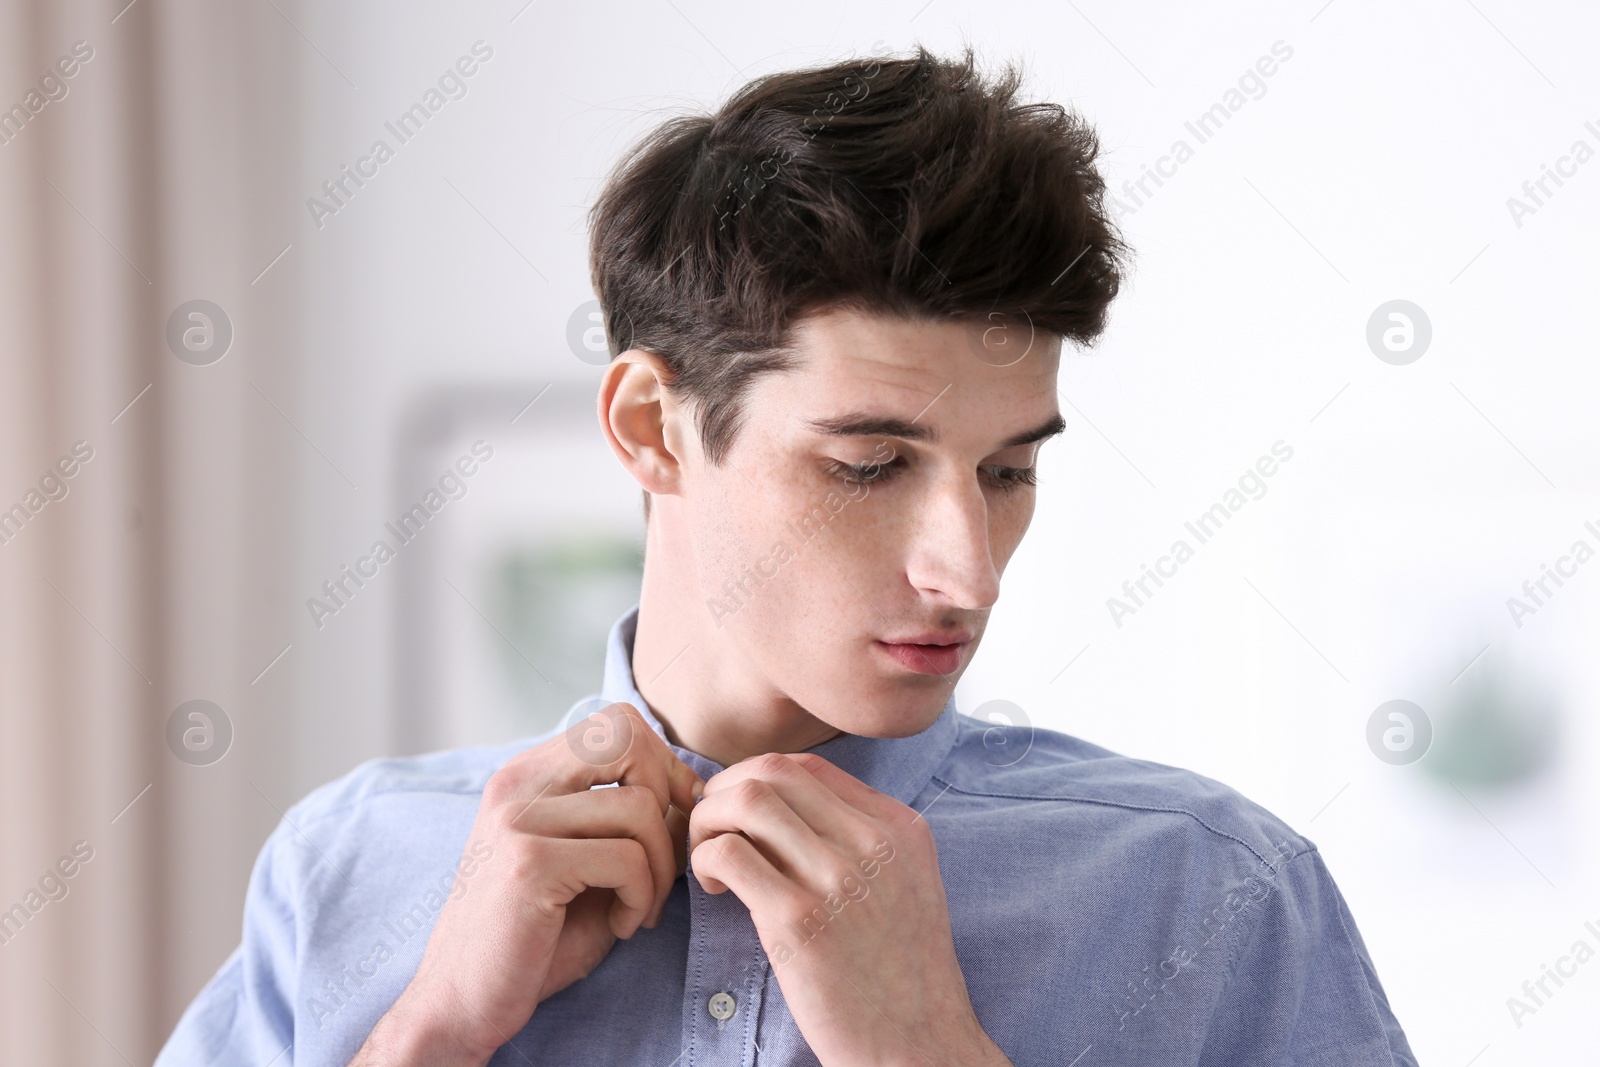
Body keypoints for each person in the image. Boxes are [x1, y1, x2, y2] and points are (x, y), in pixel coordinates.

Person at [156, 46, 1416, 1067]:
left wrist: (929, 1051)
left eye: (1006, 469)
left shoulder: (1209, 895)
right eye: (868, 465)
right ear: (653, 427)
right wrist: (429, 1033)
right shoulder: (344, 870)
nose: (966, 573)